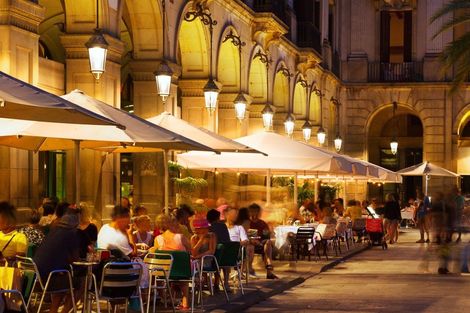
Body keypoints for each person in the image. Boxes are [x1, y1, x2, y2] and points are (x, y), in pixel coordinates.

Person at [33, 210, 81, 313]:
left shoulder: (53, 231)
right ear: (75, 224)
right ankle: (64, 311)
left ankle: (53, 310)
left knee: (63, 278)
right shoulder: (71, 234)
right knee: (81, 284)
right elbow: (75, 259)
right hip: (50, 279)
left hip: (37, 278)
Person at [151, 214, 191, 310]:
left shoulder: (158, 239)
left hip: (164, 273)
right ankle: (185, 302)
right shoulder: (181, 237)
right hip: (182, 272)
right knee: (183, 273)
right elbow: (191, 251)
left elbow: (155, 254)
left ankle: (167, 298)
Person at [248, 203, 278, 279]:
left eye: (255, 211)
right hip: (249, 244)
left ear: (258, 212)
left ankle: (269, 265)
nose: (254, 213)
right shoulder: (247, 223)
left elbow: (266, 235)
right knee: (251, 246)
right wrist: (252, 239)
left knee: (268, 243)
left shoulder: (262, 223)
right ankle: (268, 268)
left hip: (261, 244)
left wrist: (270, 232)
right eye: (252, 211)